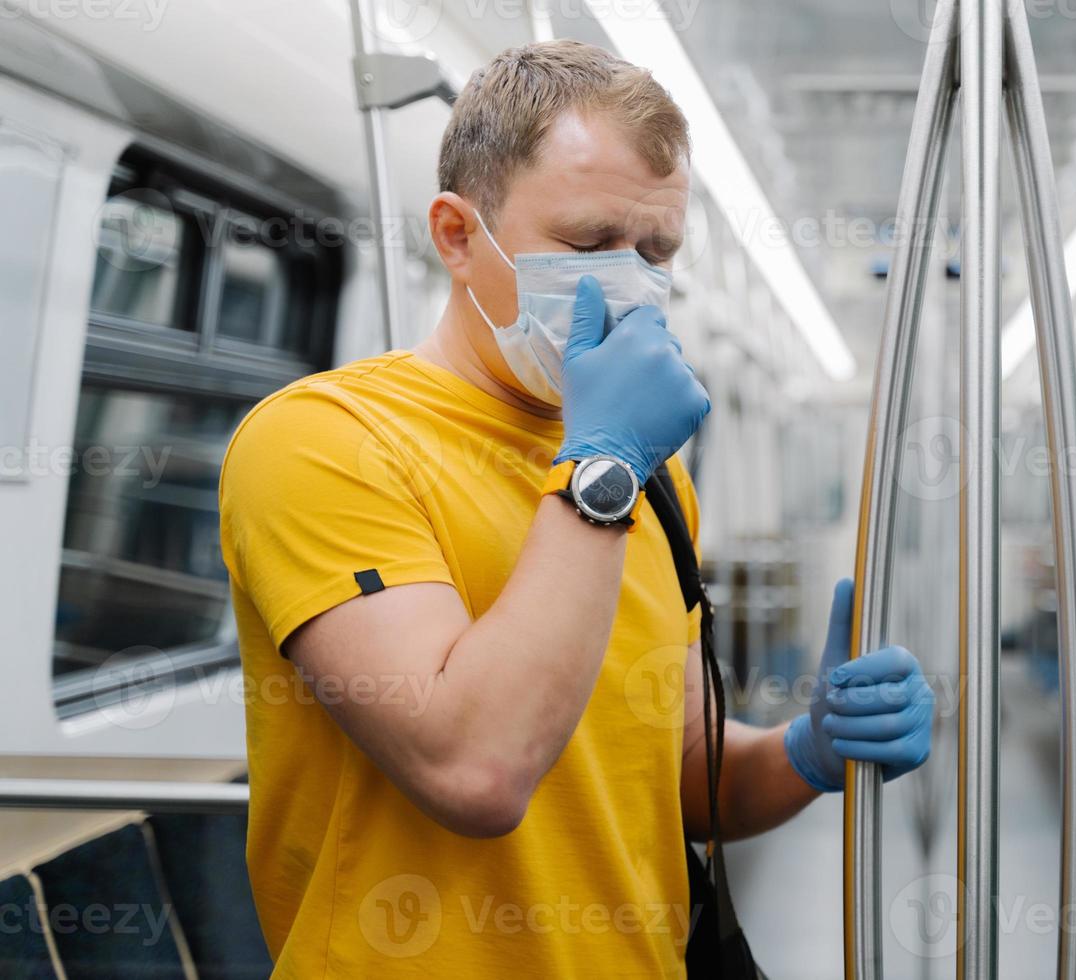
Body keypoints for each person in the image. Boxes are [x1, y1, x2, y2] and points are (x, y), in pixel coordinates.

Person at [219, 39, 935, 976]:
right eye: (591, 243)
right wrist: (602, 465)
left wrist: (806, 753)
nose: (632, 280)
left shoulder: (657, 480)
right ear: (459, 236)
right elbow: (475, 771)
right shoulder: (327, 442)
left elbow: (673, 777)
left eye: (657, 251)